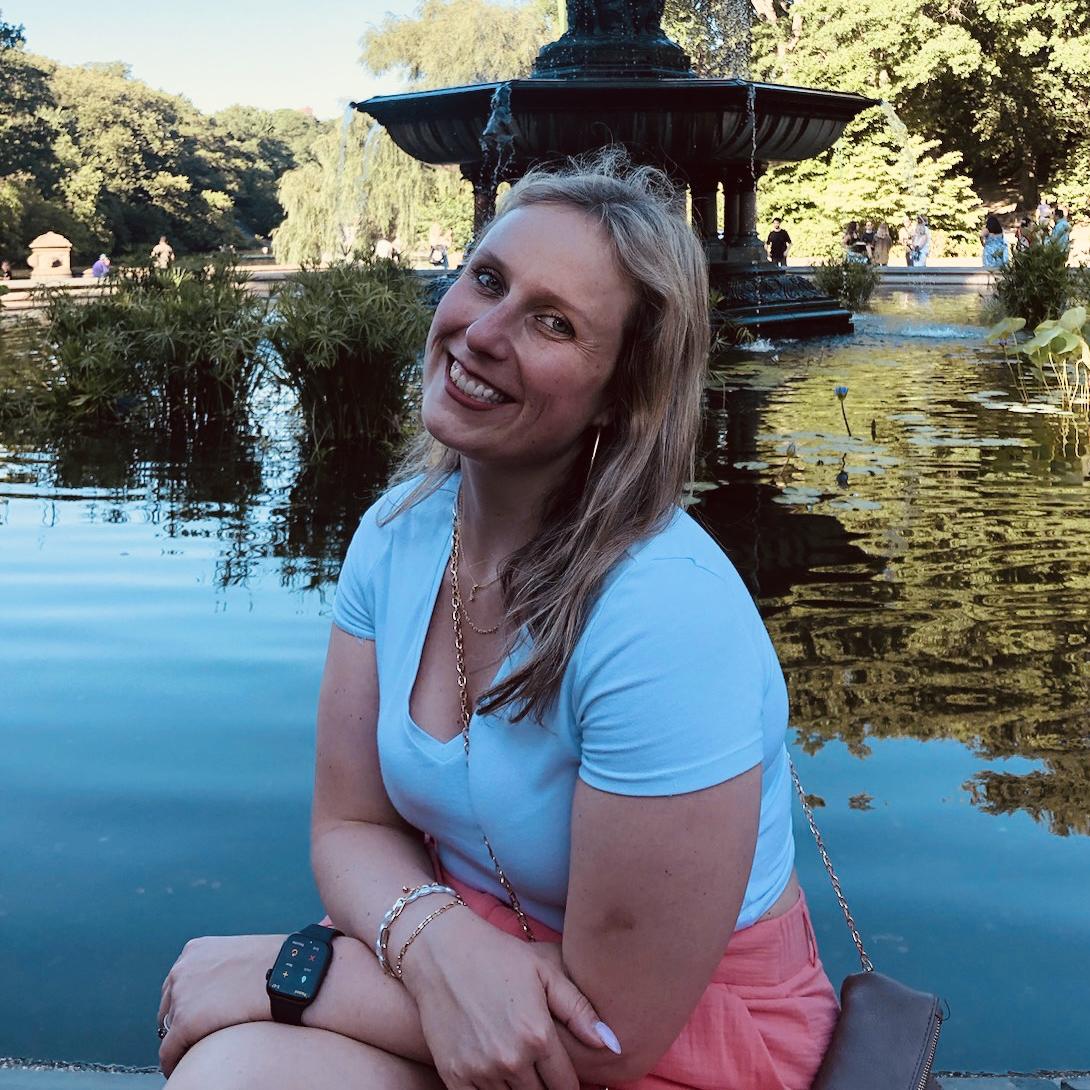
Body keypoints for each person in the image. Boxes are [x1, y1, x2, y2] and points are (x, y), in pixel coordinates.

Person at [157, 154, 839, 1090]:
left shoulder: (663, 615)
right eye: (487, 279)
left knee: (236, 1055)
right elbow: (349, 824)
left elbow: (610, 1035)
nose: (481, 333)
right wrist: (437, 941)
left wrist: (286, 978)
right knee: (230, 1074)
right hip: (461, 953)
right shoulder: (395, 534)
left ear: (623, 391)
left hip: (669, 1035)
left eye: (553, 322)